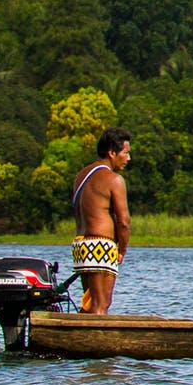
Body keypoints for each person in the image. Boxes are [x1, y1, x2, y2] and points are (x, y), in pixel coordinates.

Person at [70, 127, 132, 315]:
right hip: (101, 245)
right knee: (101, 305)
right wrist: (122, 249)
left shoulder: (81, 175)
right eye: (125, 153)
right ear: (112, 153)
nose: (128, 158)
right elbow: (124, 221)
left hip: (81, 245)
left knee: (90, 305)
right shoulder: (114, 179)